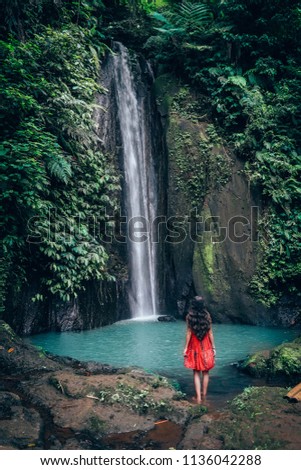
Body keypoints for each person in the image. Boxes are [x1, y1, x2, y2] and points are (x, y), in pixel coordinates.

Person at [183, 296, 216, 404]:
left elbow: (189, 333)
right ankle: (204, 395)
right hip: (206, 345)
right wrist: (214, 347)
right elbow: (210, 333)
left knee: (196, 372)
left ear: (193, 304)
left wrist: (186, 348)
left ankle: (198, 398)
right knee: (206, 372)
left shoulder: (189, 317)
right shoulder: (207, 316)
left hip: (194, 345)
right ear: (203, 305)